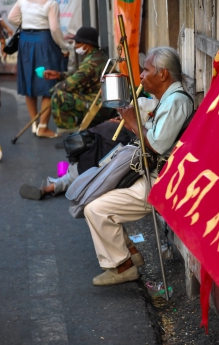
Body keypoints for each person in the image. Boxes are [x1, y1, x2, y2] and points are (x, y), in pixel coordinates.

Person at [83, 46, 194, 286]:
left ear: (163, 74)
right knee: (96, 195)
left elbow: (155, 145)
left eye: (146, 70)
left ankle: (122, 266)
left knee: (96, 209)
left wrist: (133, 123)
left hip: (162, 182)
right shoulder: (166, 99)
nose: (142, 76)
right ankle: (129, 253)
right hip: (152, 174)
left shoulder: (177, 102)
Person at [18, 96, 159, 199]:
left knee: (73, 175)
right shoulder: (127, 131)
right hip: (93, 158)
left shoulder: (117, 128)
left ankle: (51, 186)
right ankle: (52, 186)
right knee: (73, 176)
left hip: (86, 156)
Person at [8, 0, 70, 138]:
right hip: (45, 41)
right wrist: (64, 48)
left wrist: (27, 23)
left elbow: (11, 17)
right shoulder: (51, 3)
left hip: (26, 41)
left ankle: (34, 124)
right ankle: (43, 126)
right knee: (48, 82)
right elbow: (55, 29)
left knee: (29, 81)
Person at [44, 26, 116, 132]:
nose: (75, 46)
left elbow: (71, 85)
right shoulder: (97, 56)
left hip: (102, 105)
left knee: (59, 95)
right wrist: (59, 75)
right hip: (102, 101)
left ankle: (72, 133)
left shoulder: (92, 62)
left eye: (77, 42)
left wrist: (54, 89)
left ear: (87, 44)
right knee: (59, 92)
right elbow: (79, 76)